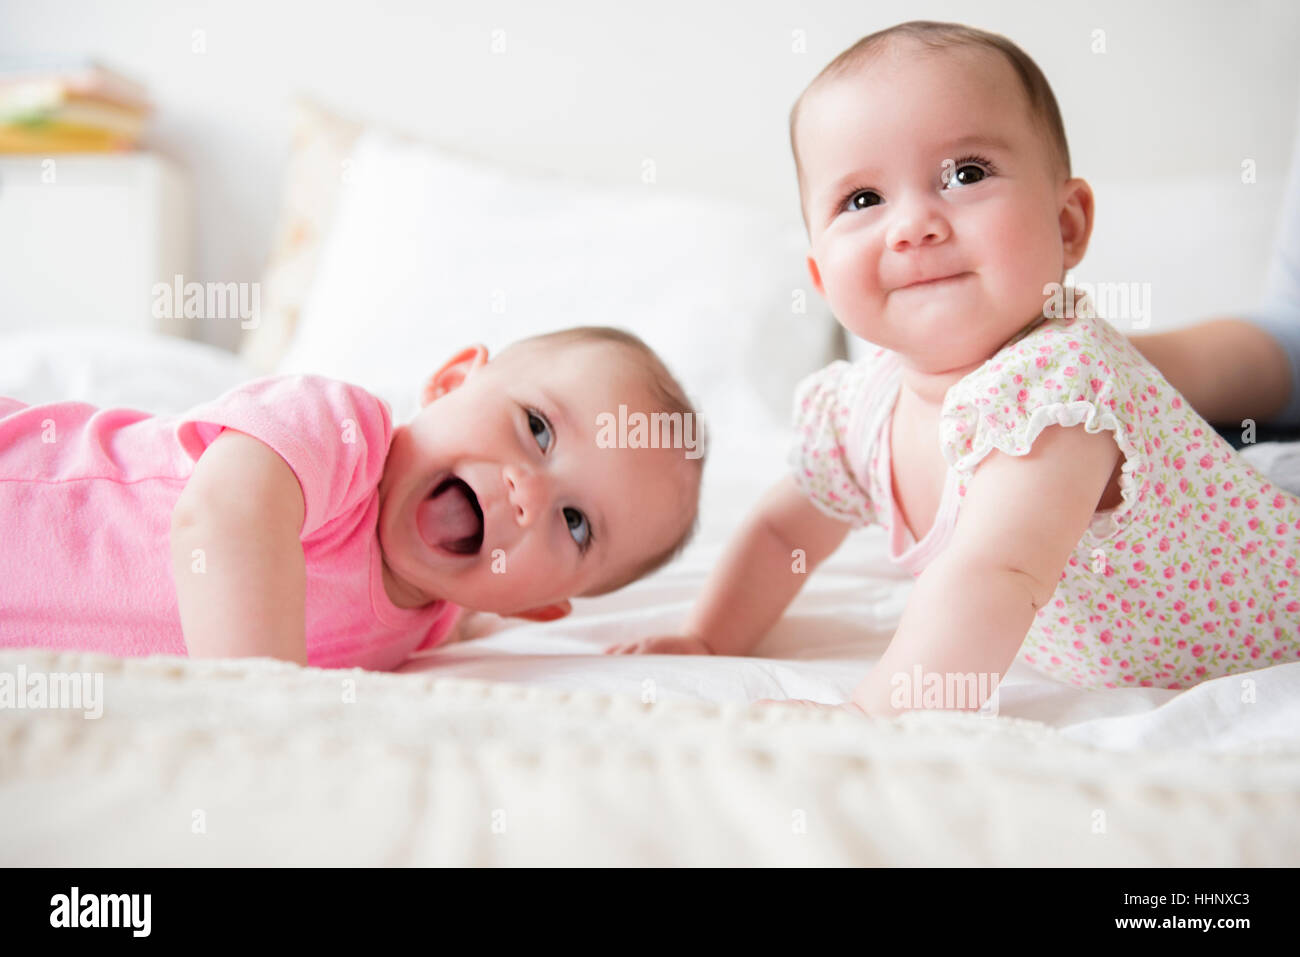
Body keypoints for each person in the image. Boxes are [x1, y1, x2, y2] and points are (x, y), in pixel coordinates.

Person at [606, 21, 1300, 716]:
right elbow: (782, 531)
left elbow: (993, 573)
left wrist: (875, 714)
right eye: (863, 199)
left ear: (1068, 226)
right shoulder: (862, 406)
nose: (913, 224)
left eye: (966, 174)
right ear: (820, 275)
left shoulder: (1059, 391)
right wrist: (706, 636)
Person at [0, 326, 704, 670]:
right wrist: (261, 706)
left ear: (531, 604)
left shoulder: (432, 621)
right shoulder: (337, 435)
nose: (528, 494)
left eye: (575, 524)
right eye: (538, 428)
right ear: (452, 380)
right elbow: (224, 518)